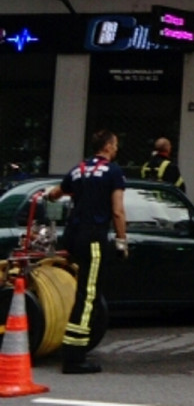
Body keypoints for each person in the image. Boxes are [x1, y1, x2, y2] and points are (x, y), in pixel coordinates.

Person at [45, 129, 127, 374]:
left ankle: (71, 346)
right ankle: (74, 357)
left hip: (72, 236)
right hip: (93, 237)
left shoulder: (78, 169)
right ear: (109, 146)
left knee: (79, 289)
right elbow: (118, 211)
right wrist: (122, 242)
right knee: (88, 294)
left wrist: (48, 195)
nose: (116, 148)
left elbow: (56, 193)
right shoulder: (113, 172)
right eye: (115, 144)